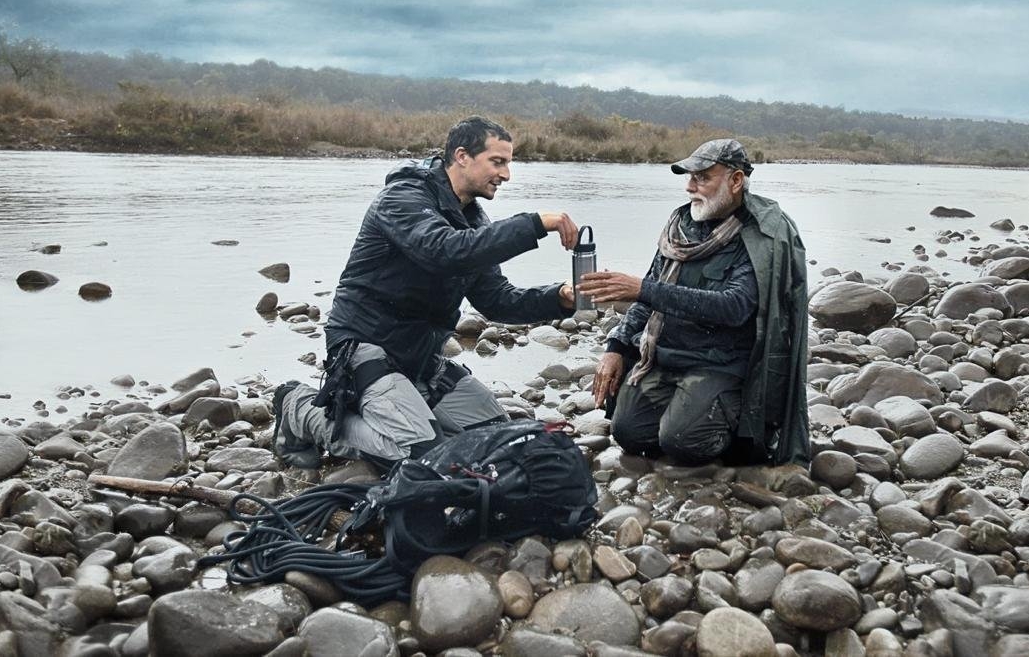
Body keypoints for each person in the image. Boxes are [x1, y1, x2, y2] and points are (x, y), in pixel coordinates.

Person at [272, 116, 579, 469]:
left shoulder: (474, 221)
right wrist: (535, 224)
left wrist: (560, 297)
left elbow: (497, 299)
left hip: (420, 360)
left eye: (508, 163)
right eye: (498, 162)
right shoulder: (403, 197)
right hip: (365, 348)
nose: (506, 175)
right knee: (419, 457)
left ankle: (406, 406)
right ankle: (299, 407)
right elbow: (445, 251)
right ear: (462, 156)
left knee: (498, 441)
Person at [577, 139, 810, 466]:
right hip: (668, 357)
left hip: (722, 364)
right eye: (688, 178)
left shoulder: (761, 235)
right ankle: (688, 409)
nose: (689, 187)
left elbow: (734, 306)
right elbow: (648, 299)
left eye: (702, 178)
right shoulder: (681, 227)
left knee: (681, 442)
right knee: (628, 433)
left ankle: (734, 423)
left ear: (736, 180)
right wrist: (615, 346)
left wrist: (643, 289)